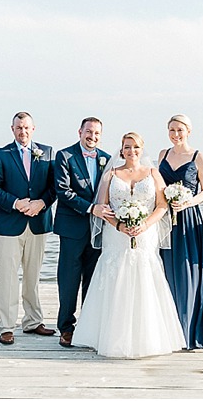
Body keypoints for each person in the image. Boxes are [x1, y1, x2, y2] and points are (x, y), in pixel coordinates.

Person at [73, 132, 186, 358]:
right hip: (116, 236)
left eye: (135, 147)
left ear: (142, 149)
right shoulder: (111, 175)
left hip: (146, 234)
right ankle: (109, 337)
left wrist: (144, 225)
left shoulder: (153, 173)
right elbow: (102, 207)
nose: (131, 151)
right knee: (116, 277)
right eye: (127, 147)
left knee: (144, 277)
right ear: (121, 149)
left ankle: (147, 338)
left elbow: (162, 207)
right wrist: (118, 226)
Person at [0, 111, 57, 346]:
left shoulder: (46, 152)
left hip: (38, 223)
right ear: (12, 129)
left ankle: (33, 321)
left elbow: (53, 187)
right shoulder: (0, 154)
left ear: (33, 129)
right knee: (6, 277)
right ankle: (7, 326)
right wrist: (16, 203)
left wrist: (42, 203)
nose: (22, 132)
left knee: (33, 276)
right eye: (18, 128)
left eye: (26, 128)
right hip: (8, 224)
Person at [53, 117, 113, 347]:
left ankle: (88, 327)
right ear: (80, 131)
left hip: (99, 232)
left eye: (97, 133)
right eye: (89, 132)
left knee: (93, 280)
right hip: (71, 229)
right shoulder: (64, 156)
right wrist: (91, 208)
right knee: (68, 281)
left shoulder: (107, 159)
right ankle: (66, 328)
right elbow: (62, 191)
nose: (93, 137)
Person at [157, 114, 203, 349]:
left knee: (187, 271)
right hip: (165, 219)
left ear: (188, 131)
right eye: (172, 130)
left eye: (180, 130)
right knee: (165, 270)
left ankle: (187, 328)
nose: (176, 134)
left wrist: (187, 202)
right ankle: (166, 329)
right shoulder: (163, 155)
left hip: (188, 220)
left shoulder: (198, 157)